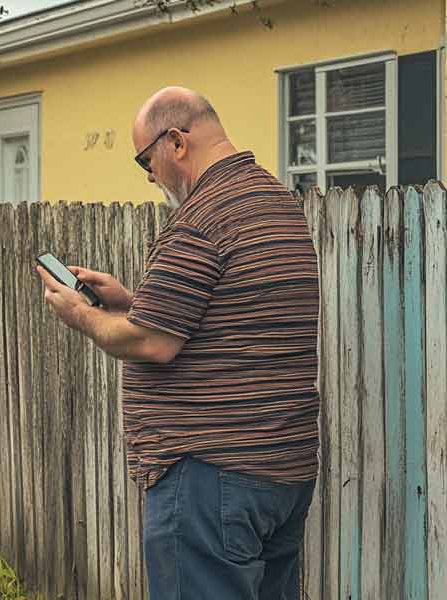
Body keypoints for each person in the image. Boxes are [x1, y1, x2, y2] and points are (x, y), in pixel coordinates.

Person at [36, 86, 320, 600]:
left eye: (145, 159)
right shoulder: (276, 202)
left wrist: (80, 314)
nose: (148, 175)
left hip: (211, 478)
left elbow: (151, 343)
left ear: (176, 142)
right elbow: (225, 320)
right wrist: (129, 303)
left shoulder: (203, 216)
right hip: (281, 470)